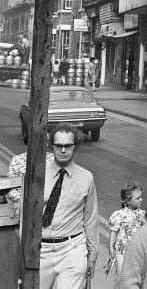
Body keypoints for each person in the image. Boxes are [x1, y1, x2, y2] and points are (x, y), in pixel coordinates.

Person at [38, 123, 100, 289]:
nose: (63, 150)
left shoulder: (86, 178)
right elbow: (26, 216)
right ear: (52, 147)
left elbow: (91, 219)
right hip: (41, 250)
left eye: (68, 146)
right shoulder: (39, 176)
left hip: (72, 249)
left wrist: (92, 256)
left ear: (75, 147)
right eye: (59, 146)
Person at [105, 183, 147, 285]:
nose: (141, 200)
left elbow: (144, 233)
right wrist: (111, 248)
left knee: (135, 278)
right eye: (138, 198)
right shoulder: (119, 215)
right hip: (121, 252)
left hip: (137, 253)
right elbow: (113, 232)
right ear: (128, 200)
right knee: (121, 278)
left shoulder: (143, 214)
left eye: (141, 197)